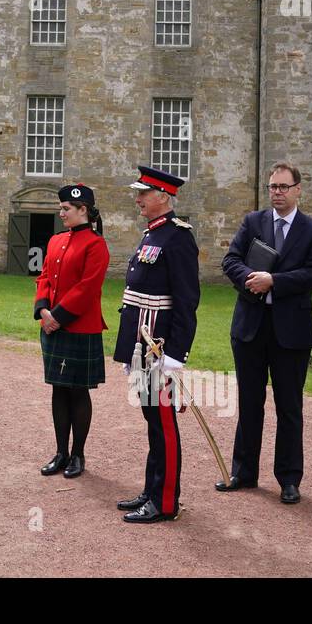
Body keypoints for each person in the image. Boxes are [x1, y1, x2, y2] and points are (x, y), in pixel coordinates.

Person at [219, 161, 312, 504]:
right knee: (250, 403)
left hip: (291, 332)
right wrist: (250, 278)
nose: (277, 193)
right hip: (250, 328)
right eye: (273, 187)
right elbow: (230, 260)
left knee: (289, 407)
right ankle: (243, 472)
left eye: (284, 187)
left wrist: (274, 281)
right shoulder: (253, 222)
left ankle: (289, 479)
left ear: (298, 189)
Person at [113, 165, 200, 524]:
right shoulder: (153, 234)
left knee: (163, 425)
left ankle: (165, 502)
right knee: (152, 421)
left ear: (163, 196)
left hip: (159, 350)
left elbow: (186, 301)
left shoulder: (178, 238)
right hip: (142, 346)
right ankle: (152, 488)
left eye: (143, 194)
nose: (138, 199)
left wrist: (175, 356)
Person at [34, 183, 109, 479]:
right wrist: (43, 310)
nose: (61, 212)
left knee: (78, 392)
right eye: (61, 207)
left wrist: (58, 317)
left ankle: (78, 454)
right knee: (58, 389)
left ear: (83, 210)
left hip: (79, 328)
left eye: (66, 208)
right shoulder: (55, 240)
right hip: (52, 326)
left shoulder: (96, 244)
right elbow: (43, 277)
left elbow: (88, 288)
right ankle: (60, 452)